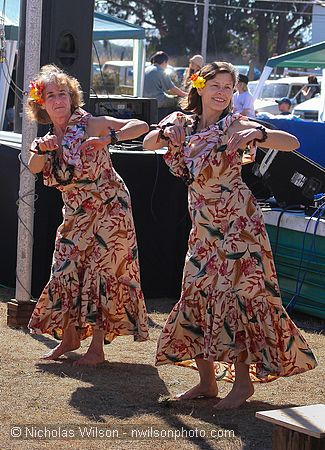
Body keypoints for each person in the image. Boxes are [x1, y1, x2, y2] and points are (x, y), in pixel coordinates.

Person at [143, 61, 317, 409]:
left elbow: (292, 141)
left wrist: (259, 134)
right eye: (215, 85)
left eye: (228, 86)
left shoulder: (235, 123)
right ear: (200, 87)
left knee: (239, 297)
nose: (222, 92)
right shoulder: (184, 123)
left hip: (239, 224)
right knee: (196, 293)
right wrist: (166, 134)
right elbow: (148, 143)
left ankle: (242, 384)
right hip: (203, 225)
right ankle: (207, 382)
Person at [27, 64, 149, 366]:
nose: (58, 100)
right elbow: (33, 168)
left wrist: (109, 139)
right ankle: (69, 338)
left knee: (101, 274)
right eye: (51, 95)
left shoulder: (89, 123)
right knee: (65, 270)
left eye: (63, 94)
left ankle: (97, 348)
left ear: (72, 97)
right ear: (41, 103)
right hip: (76, 214)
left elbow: (140, 125)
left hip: (110, 208)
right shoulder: (47, 138)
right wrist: (42, 150)